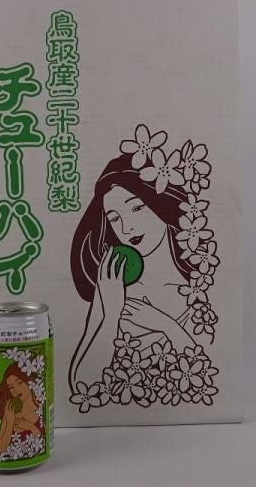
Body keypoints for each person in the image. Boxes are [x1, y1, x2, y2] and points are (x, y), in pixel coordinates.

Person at [69, 152, 199, 391]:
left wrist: (166, 325)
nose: (127, 228)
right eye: (114, 218)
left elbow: (205, 371)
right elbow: (82, 385)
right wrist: (111, 316)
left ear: (160, 203)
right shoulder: (112, 285)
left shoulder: (197, 282)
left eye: (137, 208)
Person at [0, 363, 42, 454]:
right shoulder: (11, 411)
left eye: (19, 383)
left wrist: (31, 427)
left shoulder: (40, 406)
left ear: (28, 381)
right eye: (11, 387)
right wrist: (9, 424)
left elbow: (42, 444)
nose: (16, 390)